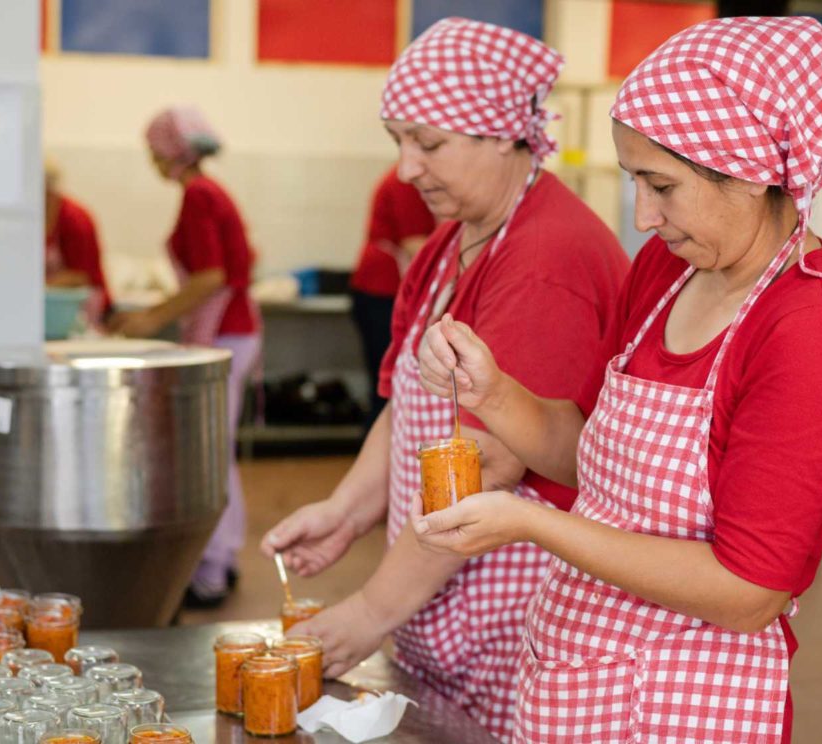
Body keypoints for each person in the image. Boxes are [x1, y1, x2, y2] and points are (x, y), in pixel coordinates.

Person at [413, 16, 822, 742]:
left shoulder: (810, 331)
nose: (641, 216)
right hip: (581, 679)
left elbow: (748, 591)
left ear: (751, 171)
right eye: (635, 181)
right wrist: (492, 391)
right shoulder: (669, 271)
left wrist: (535, 524)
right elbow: (592, 456)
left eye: (661, 185)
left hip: (681, 704)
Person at [260, 18, 630, 740]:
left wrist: (369, 611)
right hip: (446, 601)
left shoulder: (544, 258)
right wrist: (346, 509)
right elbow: (408, 408)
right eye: (398, 141)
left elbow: (489, 465)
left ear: (501, 135)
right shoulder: (452, 244)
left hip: (516, 621)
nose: (406, 169)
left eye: (428, 144)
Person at [109, 106, 261, 608]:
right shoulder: (208, 192)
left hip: (224, 335)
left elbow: (210, 277)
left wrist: (151, 319)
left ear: (170, 151)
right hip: (231, 332)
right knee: (217, 450)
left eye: (153, 150)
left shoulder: (199, 195)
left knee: (210, 454)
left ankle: (211, 570)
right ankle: (223, 559)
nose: (151, 160)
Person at [350, 166, 437, 427]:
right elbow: (415, 244)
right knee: (386, 387)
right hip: (380, 293)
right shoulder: (406, 181)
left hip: (385, 292)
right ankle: (381, 460)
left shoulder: (411, 179)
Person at [44, 160, 112, 327]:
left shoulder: (75, 219)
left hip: (84, 311)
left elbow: (82, 277)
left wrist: (38, 287)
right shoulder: (30, 220)